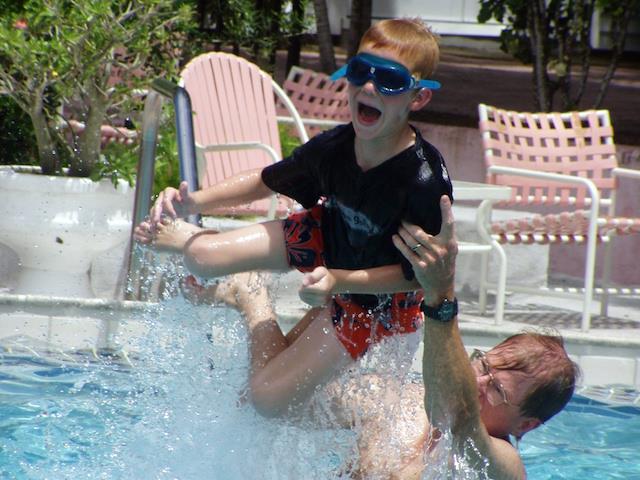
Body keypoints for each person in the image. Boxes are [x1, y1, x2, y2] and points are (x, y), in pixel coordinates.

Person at [134, 18, 452, 417]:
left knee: (265, 401)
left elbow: (417, 276)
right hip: (328, 238)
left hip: (374, 303)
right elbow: (267, 180)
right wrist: (192, 202)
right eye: (360, 71)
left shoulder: (423, 181)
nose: (369, 87)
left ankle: (250, 296)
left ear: (418, 98)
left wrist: (338, 281)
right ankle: (231, 273)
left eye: (389, 79)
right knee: (202, 256)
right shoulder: (335, 147)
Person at [338, 195, 580, 479]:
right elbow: (302, 402)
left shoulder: (502, 465)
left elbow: (460, 416)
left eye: (496, 389)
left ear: (526, 425)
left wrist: (440, 294)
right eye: (483, 365)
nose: (477, 382)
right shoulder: (399, 403)